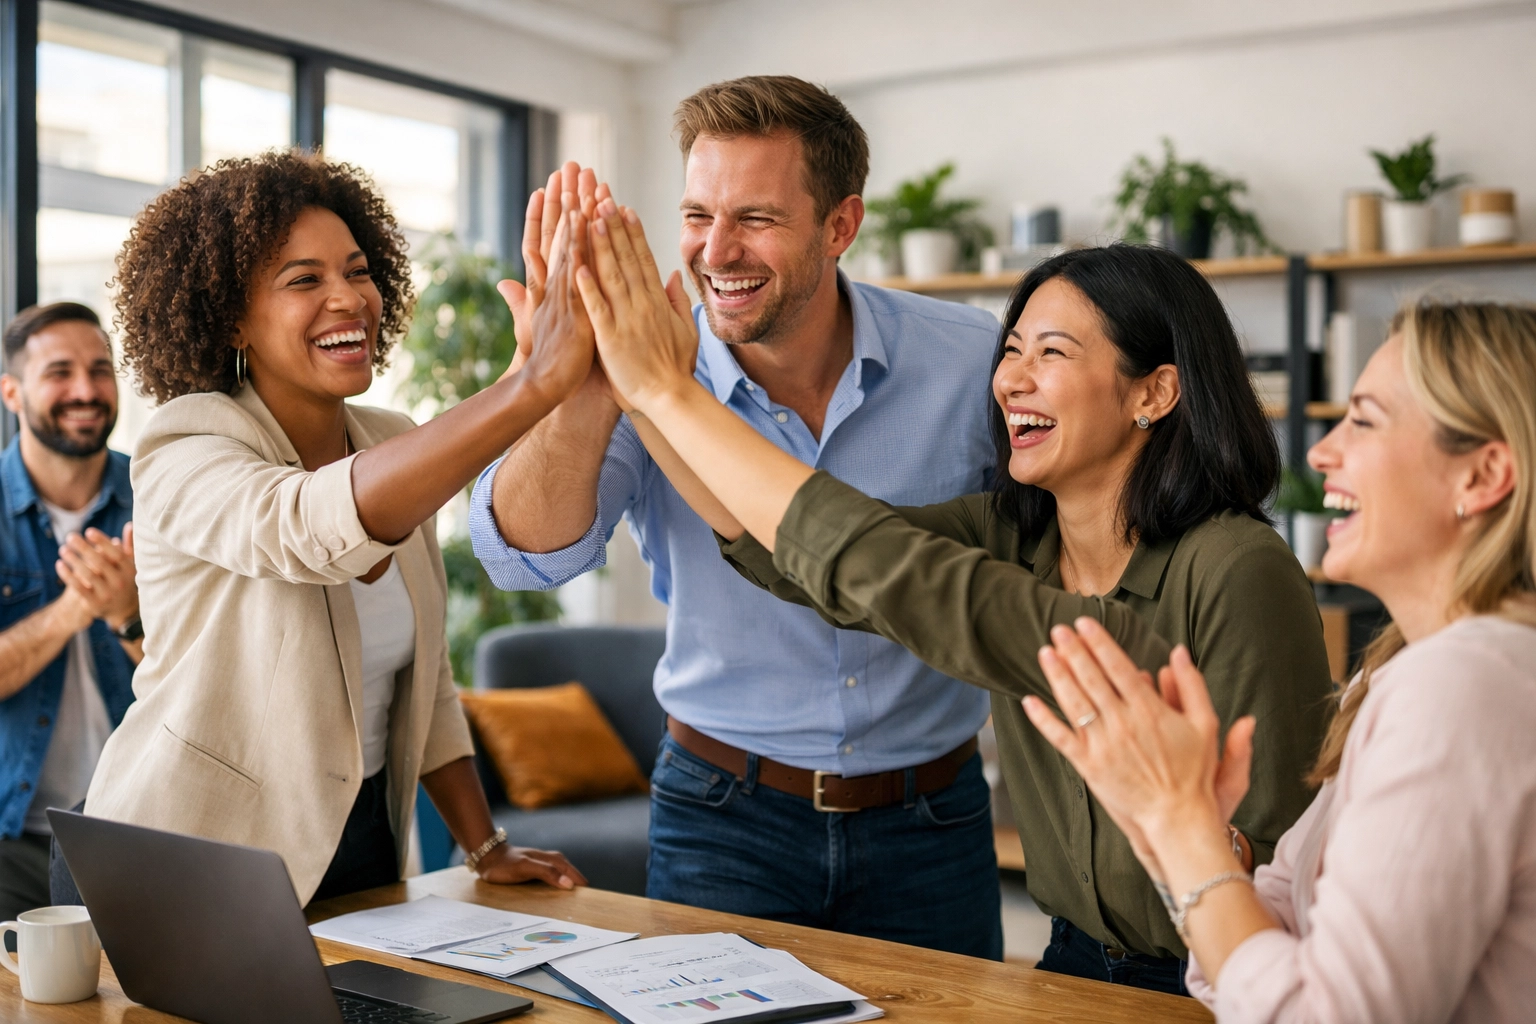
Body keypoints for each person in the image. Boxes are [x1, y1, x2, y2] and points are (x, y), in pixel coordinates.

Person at [569, 206, 1332, 993]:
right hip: (1070, 964)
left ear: (1156, 392)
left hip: (1220, 976)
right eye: (1011, 351)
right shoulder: (1011, 532)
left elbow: (1282, 850)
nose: (1011, 379)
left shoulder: (1240, 568)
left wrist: (666, 391)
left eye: (1052, 353)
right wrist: (642, 396)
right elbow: (808, 560)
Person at [472, 77, 1006, 958]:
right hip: (725, 815)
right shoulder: (650, 368)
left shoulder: (970, 358)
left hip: (935, 815)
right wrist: (580, 391)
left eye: (754, 217)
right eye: (696, 214)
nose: (716, 251)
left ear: (840, 226)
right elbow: (524, 560)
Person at [78, 150, 591, 906]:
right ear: (230, 318)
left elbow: (425, 678)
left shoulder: (392, 440)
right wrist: (528, 386)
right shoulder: (185, 443)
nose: (349, 298)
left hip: (361, 848)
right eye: (304, 280)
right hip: (191, 859)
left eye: (357, 271)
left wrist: (486, 845)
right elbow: (307, 528)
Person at [1022, 299, 1536, 1022]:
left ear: (1482, 476)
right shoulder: (1394, 670)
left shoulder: (1461, 689)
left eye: (1364, 419)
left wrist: (1179, 826)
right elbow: (1286, 907)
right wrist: (1197, 829)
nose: (1323, 453)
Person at [0, 303, 139, 930]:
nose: (85, 391)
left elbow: (216, 680)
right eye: (60, 372)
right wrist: (77, 607)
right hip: (10, 839)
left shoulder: (161, 495)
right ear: (12, 391)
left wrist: (129, 616)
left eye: (100, 370)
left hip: (143, 830)